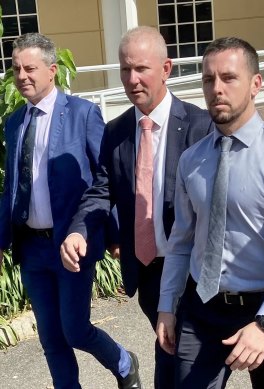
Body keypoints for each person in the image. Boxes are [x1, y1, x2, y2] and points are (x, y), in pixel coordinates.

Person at [155, 37, 264, 388]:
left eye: (229, 78)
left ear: (255, 84)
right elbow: (181, 241)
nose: (216, 89)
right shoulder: (191, 160)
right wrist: (167, 305)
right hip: (202, 308)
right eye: (208, 80)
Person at [60, 26, 212, 388]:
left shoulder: (200, 126)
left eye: (141, 68)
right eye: (125, 69)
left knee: (176, 360)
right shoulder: (116, 131)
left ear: (166, 68)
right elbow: (101, 189)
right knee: (172, 352)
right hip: (146, 272)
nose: (132, 79)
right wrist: (80, 229)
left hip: (191, 269)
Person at [0, 33, 140, 389]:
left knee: (75, 330)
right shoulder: (15, 122)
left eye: (29, 68)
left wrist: (115, 235)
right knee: (51, 339)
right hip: (32, 248)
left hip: (71, 245)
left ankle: (124, 362)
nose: (22, 76)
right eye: (16, 69)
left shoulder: (82, 114)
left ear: (52, 70)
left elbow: (104, 178)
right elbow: (12, 186)